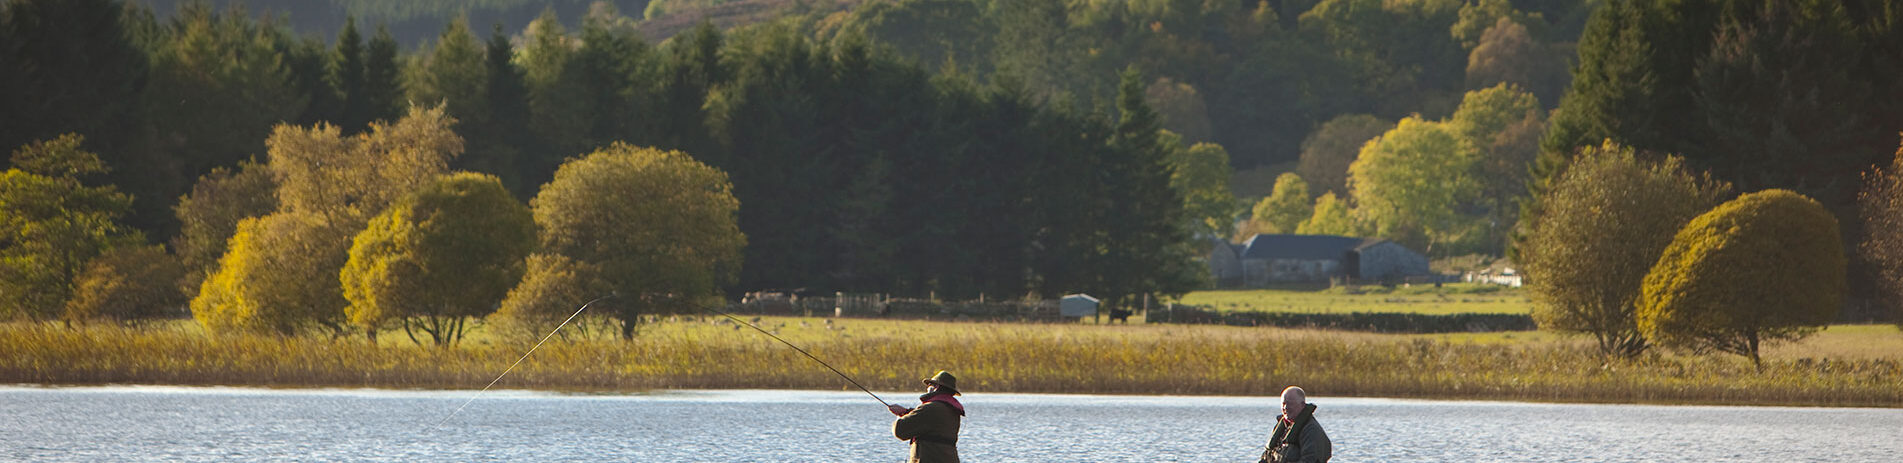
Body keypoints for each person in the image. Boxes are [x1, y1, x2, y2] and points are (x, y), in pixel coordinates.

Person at [888, 370, 965, 463]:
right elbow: (929, 422)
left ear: (936, 387)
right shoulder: (950, 409)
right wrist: (906, 412)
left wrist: (899, 415)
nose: (927, 388)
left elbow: (900, 430)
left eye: (929, 385)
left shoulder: (930, 408)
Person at [1258, 385, 1331, 463]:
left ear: (1302, 405)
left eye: (1290, 404)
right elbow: (1266, 457)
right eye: (1283, 404)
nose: (1285, 407)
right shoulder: (1282, 427)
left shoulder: (1311, 430)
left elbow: (1309, 460)